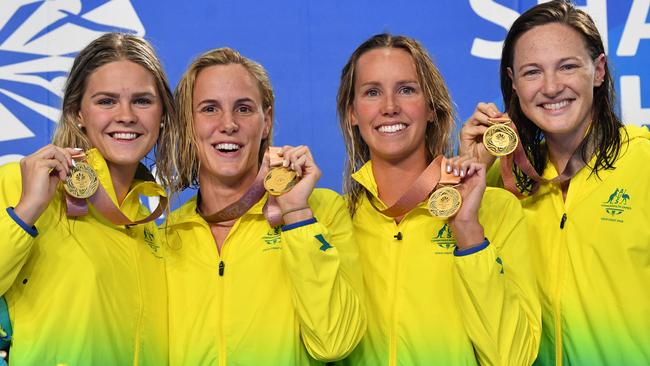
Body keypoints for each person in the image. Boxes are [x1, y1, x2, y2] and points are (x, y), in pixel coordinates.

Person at [460, 1, 650, 364]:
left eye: (567, 66)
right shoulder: (502, 181)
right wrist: (471, 170)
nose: (550, 87)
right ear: (513, 83)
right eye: (532, 72)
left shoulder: (644, 163)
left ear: (598, 71)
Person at [335, 33, 540, 365]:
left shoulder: (496, 210)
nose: (389, 107)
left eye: (407, 89)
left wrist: (468, 232)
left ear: (431, 107)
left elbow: (512, 358)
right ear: (352, 114)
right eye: (372, 92)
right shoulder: (336, 219)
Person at [162, 47, 365, 365]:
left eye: (243, 109)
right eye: (209, 109)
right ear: (188, 123)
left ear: (266, 121)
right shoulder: (169, 235)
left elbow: (335, 342)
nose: (228, 124)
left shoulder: (321, 211)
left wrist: (297, 215)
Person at [0, 33, 178, 365]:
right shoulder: (21, 185)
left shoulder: (152, 228)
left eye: (142, 101)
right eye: (106, 101)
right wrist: (26, 211)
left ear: (162, 115)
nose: (126, 115)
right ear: (76, 113)